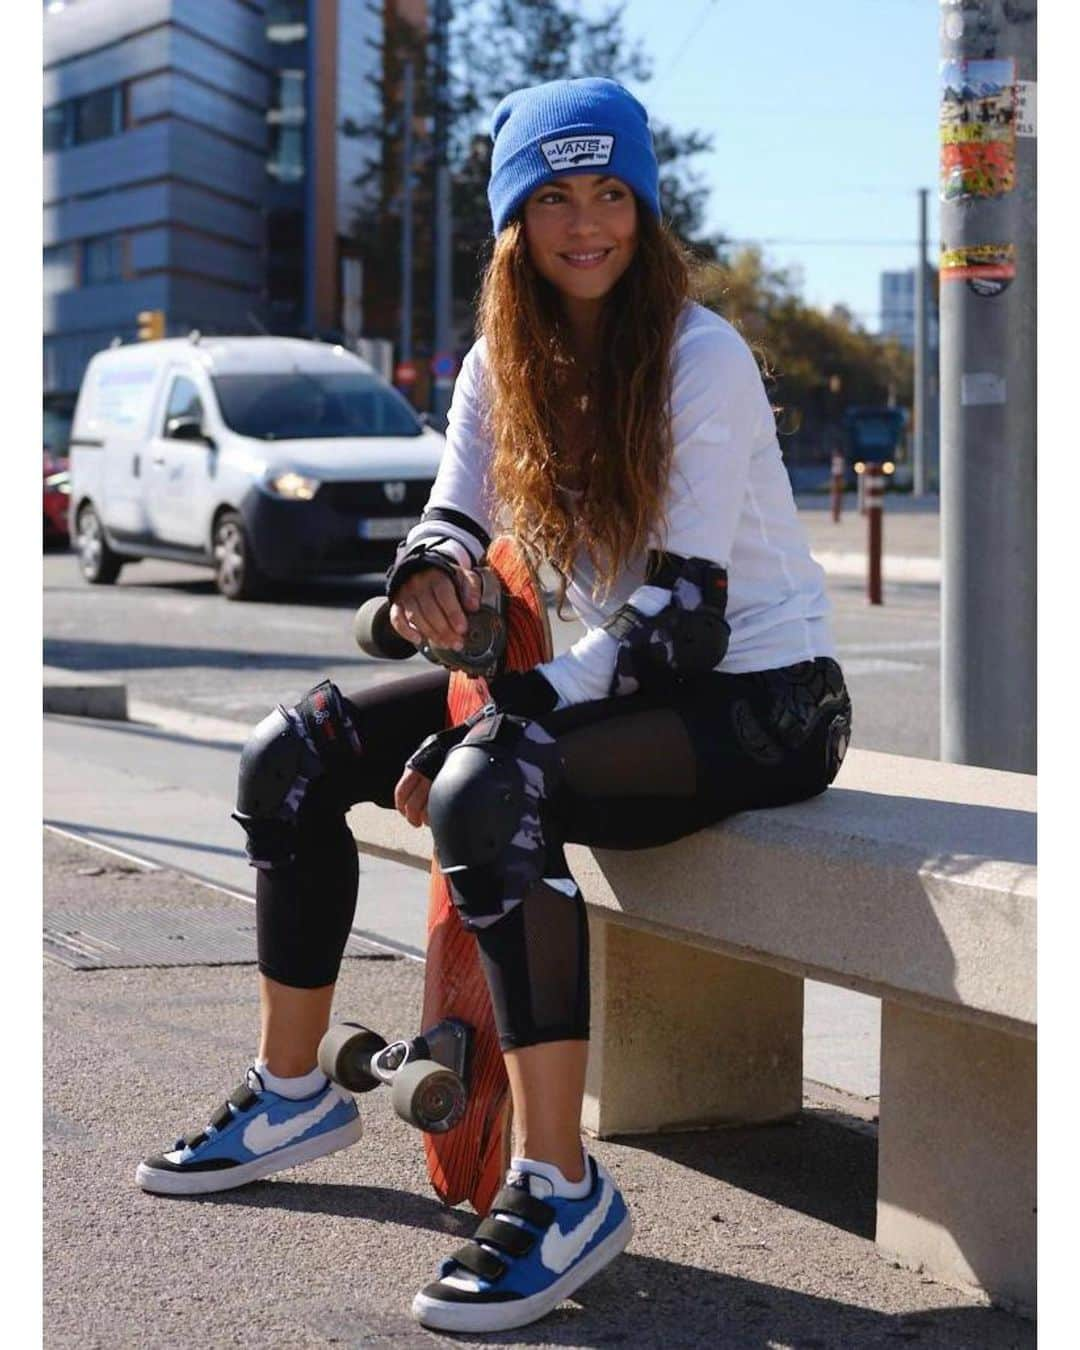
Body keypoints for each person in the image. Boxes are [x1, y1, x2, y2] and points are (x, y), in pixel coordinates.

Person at [135, 77, 852, 1335]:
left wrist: (499, 714)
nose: (589, 225)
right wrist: (431, 574)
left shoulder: (702, 355)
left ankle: (561, 1186)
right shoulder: (498, 362)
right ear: (517, 223)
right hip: (616, 693)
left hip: (762, 706)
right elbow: (451, 518)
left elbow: (681, 621)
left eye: (612, 194)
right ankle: (293, 1089)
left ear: (645, 207)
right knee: (289, 755)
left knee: (491, 777)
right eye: (558, 199)